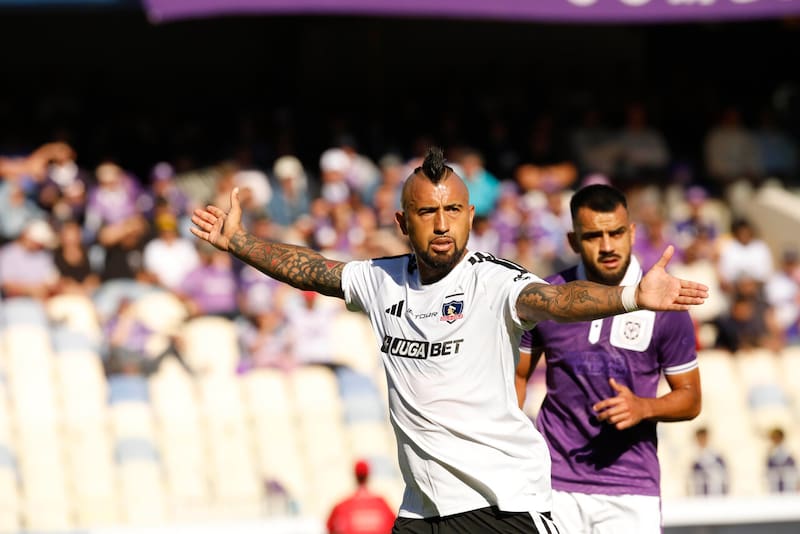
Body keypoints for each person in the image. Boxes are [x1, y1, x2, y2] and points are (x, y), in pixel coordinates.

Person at [191, 147, 707, 533]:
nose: (442, 225)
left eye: (453, 211)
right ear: (402, 221)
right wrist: (238, 242)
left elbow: (558, 302)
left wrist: (631, 297)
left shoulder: (496, 281)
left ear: (470, 216)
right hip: (423, 511)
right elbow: (312, 271)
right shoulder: (379, 280)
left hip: (504, 507)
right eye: (427, 212)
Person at [514, 183, 702, 534]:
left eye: (616, 233)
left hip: (631, 487)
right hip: (553, 483)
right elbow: (518, 376)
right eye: (593, 236)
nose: (607, 246)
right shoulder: (549, 297)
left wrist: (644, 408)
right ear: (573, 241)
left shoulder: (664, 304)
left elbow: (691, 398)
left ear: (631, 233)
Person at [326, 459, 396, 534]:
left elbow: (329, 527)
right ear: (368, 475)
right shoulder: (383, 504)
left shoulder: (341, 506)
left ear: (355, 476)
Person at [689, 427, 728, 496]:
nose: (701, 441)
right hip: (701, 497)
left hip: (717, 496)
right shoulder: (695, 460)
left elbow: (724, 477)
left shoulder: (717, 457)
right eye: (699, 438)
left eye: (703, 438)